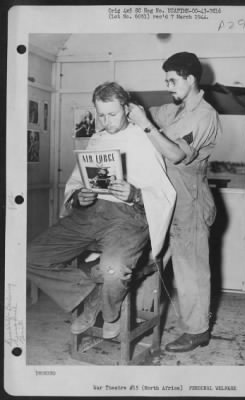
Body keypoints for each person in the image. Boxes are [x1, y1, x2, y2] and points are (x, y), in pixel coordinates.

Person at [27, 82, 176, 339]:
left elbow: (164, 192)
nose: (106, 121)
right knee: (29, 256)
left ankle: (109, 312)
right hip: (91, 215)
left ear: (127, 109)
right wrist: (79, 197)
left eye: (113, 114)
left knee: (114, 268)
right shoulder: (97, 138)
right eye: (101, 114)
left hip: (129, 218)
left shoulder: (144, 138)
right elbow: (76, 181)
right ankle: (90, 292)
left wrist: (135, 194)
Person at [128, 52, 220, 352]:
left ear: (190, 78)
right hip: (165, 200)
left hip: (190, 203)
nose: (168, 86)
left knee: (189, 269)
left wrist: (144, 124)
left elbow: (176, 154)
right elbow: (148, 114)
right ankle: (139, 318)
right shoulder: (175, 111)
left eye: (172, 80)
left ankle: (197, 331)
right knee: (151, 258)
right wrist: (126, 108)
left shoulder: (204, 114)